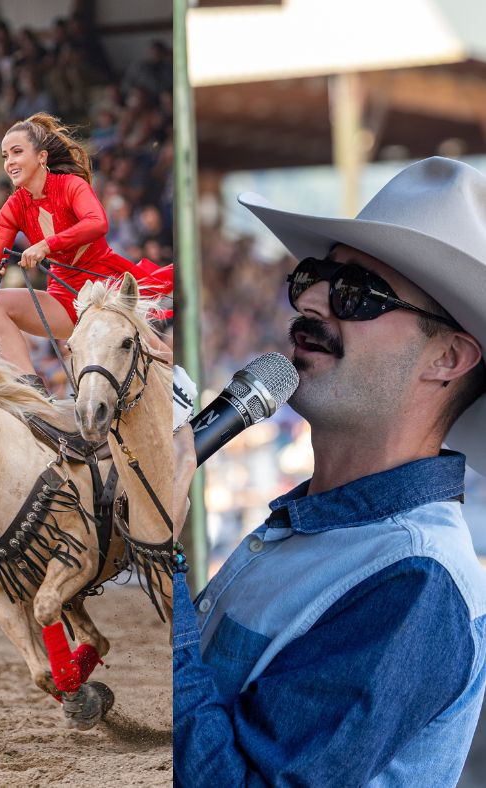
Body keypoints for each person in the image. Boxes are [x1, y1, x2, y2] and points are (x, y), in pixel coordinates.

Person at [172, 156, 486, 786]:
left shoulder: (414, 581)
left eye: (356, 293)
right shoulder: (325, 531)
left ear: (447, 358)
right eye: (314, 277)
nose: (311, 299)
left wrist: (160, 554)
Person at [0, 112, 173, 391]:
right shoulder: (13, 207)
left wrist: (47, 245)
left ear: (42, 157)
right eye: (5, 156)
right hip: (65, 299)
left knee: (160, 358)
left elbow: (98, 223)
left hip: (106, 287)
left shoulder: (71, 185)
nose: (9, 162)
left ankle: (180, 402)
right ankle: (30, 391)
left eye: (17, 152)